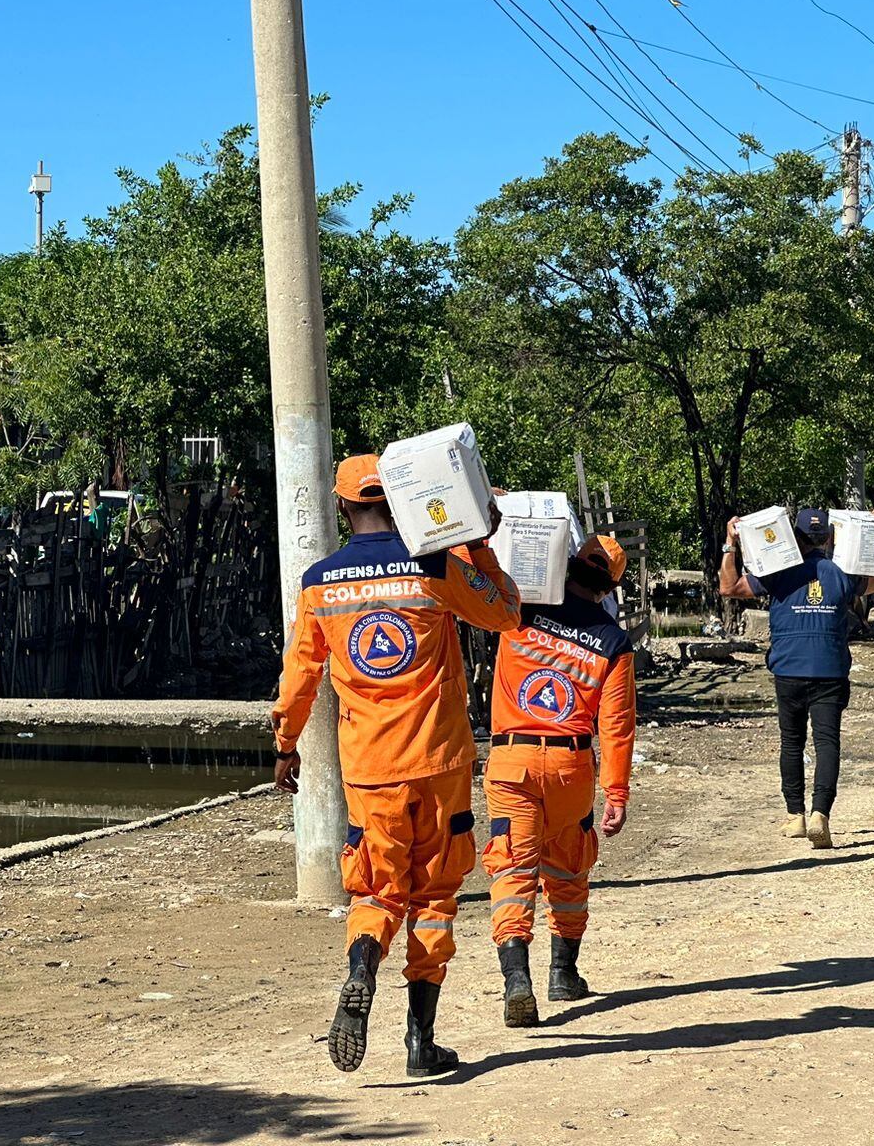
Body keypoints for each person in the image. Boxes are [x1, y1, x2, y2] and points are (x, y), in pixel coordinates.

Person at [271, 455, 521, 1077]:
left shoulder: (319, 581)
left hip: (368, 769)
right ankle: (420, 1043)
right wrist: (480, 546)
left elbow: (301, 676)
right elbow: (506, 613)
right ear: (403, 501)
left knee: (377, 890)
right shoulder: (434, 565)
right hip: (440, 762)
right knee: (435, 896)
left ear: (341, 509)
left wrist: (285, 745)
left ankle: (362, 963)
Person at [484, 534, 636, 1028]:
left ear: (567, 565)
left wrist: (490, 526)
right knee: (568, 867)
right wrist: (616, 792)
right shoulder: (613, 640)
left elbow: (478, 575)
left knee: (513, 870)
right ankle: (563, 974)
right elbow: (616, 725)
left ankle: (516, 979)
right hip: (571, 768)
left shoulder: (518, 609)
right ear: (611, 585)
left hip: (512, 762)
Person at [720, 508, 874, 848]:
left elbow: (729, 588)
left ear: (793, 536)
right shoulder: (842, 571)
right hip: (830, 668)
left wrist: (730, 543)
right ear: (829, 537)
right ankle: (820, 815)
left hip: (789, 668)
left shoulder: (776, 570)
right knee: (827, 741)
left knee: (792, 742)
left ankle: (794, 816)